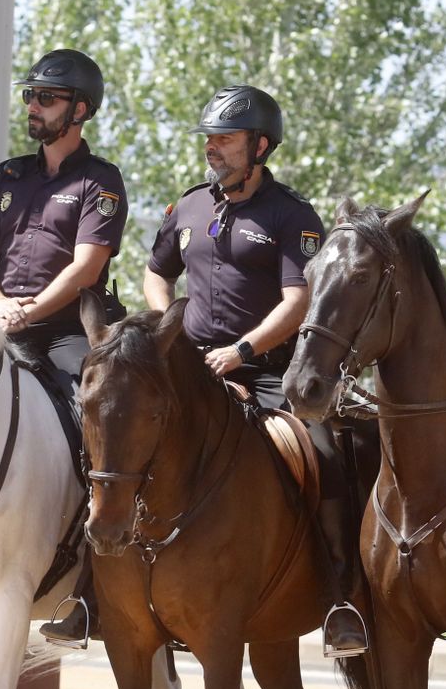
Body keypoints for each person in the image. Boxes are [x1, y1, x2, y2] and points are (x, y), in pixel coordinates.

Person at [140, 84, 368, 658]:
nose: (212, 148)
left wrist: (241, 351)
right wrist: (166, 327)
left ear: (260, 147)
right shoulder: (189, 206)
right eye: (210, 139)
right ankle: (99, 588)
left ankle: (340, 596)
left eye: (226, 139)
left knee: (324, 454)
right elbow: (156, 273)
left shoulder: (292, 214)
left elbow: (298, 301)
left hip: (266, 369)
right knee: (118, 436)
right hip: (192, 366)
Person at [0, 48, 127, 642]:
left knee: (99, 424)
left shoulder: (100, 181)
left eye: (47, 98)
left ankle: (91, 584)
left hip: (65, 332)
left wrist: (31, 310)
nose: (33, 106)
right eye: (30, 96)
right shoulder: (8, 176)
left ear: (80, 110)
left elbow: (87, 268)